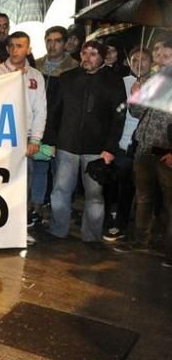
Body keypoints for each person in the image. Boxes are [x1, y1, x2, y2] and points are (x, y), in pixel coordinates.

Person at [42, 41, 126, 243]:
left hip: (97, 150)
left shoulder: (114, 82)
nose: (88, 57)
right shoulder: (67, 78)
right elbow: (54, 112)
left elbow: (118, 118)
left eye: (94, 53)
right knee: (60, 191)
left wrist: (109, 148)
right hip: (66, 145)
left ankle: (92, 238)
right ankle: (57, 230)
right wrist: (50, 141)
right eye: (85, 53)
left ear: (103, 57)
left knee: (95, 196)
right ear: (80, 54)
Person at [0, 32, 46, 243]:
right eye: (11, 46)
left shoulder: (36, 77)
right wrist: (15, 77)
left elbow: (40, 110)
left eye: (20, 46)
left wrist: (36, 140)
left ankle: (19, 229)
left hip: (24, 138)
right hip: (0, 137)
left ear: (28, 49)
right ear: (6, 49)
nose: (15, 50)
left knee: (22, 187)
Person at [125, 64, 172, 267]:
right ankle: (140, 241)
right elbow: (136, 112)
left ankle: (169, 252)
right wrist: (135, 95)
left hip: (166, 153)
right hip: (144, 150)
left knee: (170, 205)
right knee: (143, 198)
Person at [104, 47, 152, 243]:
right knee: (111, 184)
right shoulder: (121, 82)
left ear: (151, 63)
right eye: (134, 59)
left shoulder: (157, 85)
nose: (139, 63)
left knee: (129, 188)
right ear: (128, 62)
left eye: (143, 60)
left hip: (139, 144)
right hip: (118, 142)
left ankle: (121, 224)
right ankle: (108, 219)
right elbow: (114, 109)